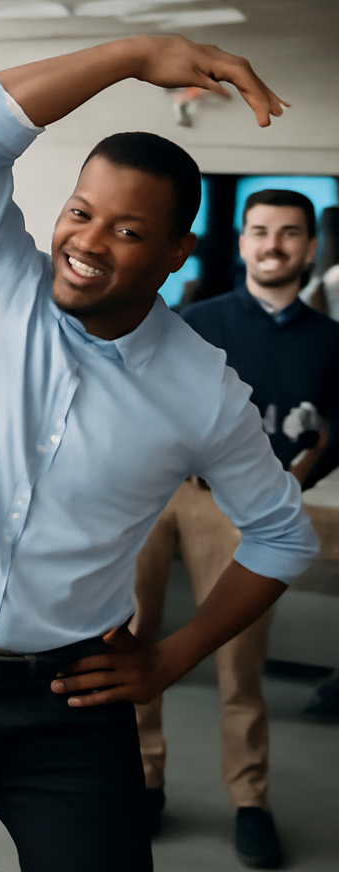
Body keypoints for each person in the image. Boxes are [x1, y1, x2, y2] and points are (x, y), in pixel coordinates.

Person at [0, 34, 320, 872]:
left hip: (66, 704)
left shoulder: (203, 390)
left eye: (128, 230)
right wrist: (137, 55)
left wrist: (171, 657)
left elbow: (283, 536)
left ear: (175, 256)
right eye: (79, 211)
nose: (88, 242)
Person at [133, 188, 339, 866]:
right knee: (130, 639)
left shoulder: (330, 341)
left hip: (245, 508)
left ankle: (250, 800)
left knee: (238, 660)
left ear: (309, 247)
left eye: (289, 232)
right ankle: (144, 782)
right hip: (163, 493)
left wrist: (295, 481)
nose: (273, 244)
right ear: (243, 242)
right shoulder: (193, 321)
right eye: (260, 231)